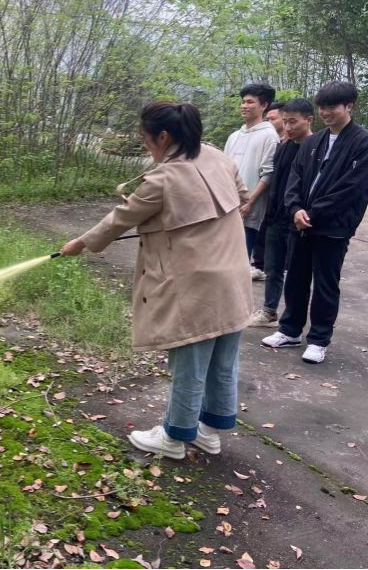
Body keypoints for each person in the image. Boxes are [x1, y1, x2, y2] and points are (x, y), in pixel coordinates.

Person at [60, 101, 253, 459]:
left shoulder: (163, 179)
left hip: (197, 284)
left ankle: (174, 437)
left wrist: (82, 243)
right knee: (224, 359)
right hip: (235, 275)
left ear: (163, 136)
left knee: (190, 361)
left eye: (145, 138)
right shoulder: (218, 157)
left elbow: (121, 218)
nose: (145, 144)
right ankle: (210, 432)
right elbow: (243, 199)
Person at [262, 82, 368, 364]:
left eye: (332, 107)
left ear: (349, 106)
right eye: (322, 107)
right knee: (297, 278)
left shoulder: (364, 143)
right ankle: (290, 330)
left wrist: (312, 214)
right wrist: (296, 208)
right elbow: (295, 178)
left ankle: (319, 339)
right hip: (300, 222)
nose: (326, 112)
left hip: (333, 226)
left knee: (326, 282)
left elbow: (352, 188)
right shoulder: (314, 142)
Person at [251, 99, 315, 327]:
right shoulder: (284, 146)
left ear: (308, 120)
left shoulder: (316, 148)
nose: (287, 127)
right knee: (272, 268)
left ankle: (292, 317)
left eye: (292, 122)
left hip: (298, 221)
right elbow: (275, 182)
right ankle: (269, 310)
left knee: (297, 273)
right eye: (285, 121)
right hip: (275, 218)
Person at [224, 84, 281, 275]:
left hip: (249, 209)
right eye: (243, 102)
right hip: (227, 205)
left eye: (250, 102)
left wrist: (250, 201)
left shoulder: (269, 136)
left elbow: (268, 173)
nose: (244, 106)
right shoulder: (234, 136)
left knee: (240, 261)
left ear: (264, 105)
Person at [251, 102, 288, 280]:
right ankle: (259, 264)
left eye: (273, 119)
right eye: (267, 119)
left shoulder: (289, 144)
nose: (269, 122)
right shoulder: (268, 141)